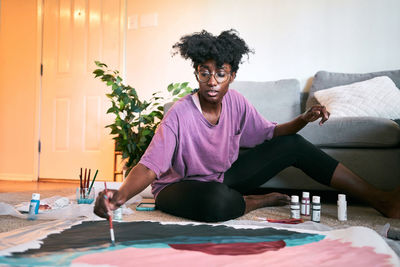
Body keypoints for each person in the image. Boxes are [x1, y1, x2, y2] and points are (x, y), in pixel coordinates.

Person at [94, 29, 400, 222]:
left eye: (220, 74)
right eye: (204, 73)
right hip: (178, 188)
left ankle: (380, 198)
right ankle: (256, 201)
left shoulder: (236, 103)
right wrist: (119, 196)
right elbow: (150, 167)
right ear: (197, 75)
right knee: (216, 203)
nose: (212, 81)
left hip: (223, 176)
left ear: (232, 76)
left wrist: (302, 119)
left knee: (292, 145)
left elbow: (272, 134)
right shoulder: (179, 113)